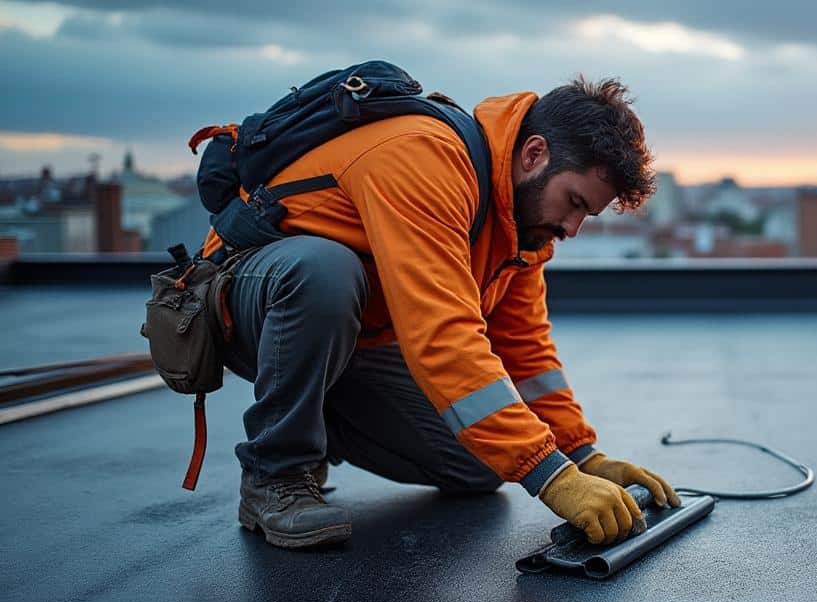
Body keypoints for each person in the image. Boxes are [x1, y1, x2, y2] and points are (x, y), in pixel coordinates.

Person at [200, 76, 680, 550]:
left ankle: (314, 422)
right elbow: (443, 335)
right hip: (247, 299)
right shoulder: (425, 157)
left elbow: (525, 350)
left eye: (586, 215)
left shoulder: (521, 230)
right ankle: (276, 473)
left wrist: (580, 455)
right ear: (534, 154)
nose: (572, 228)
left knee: (479, 463)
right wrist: (554, 480)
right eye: (574, 202)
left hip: (350, 338)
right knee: (325, 272)